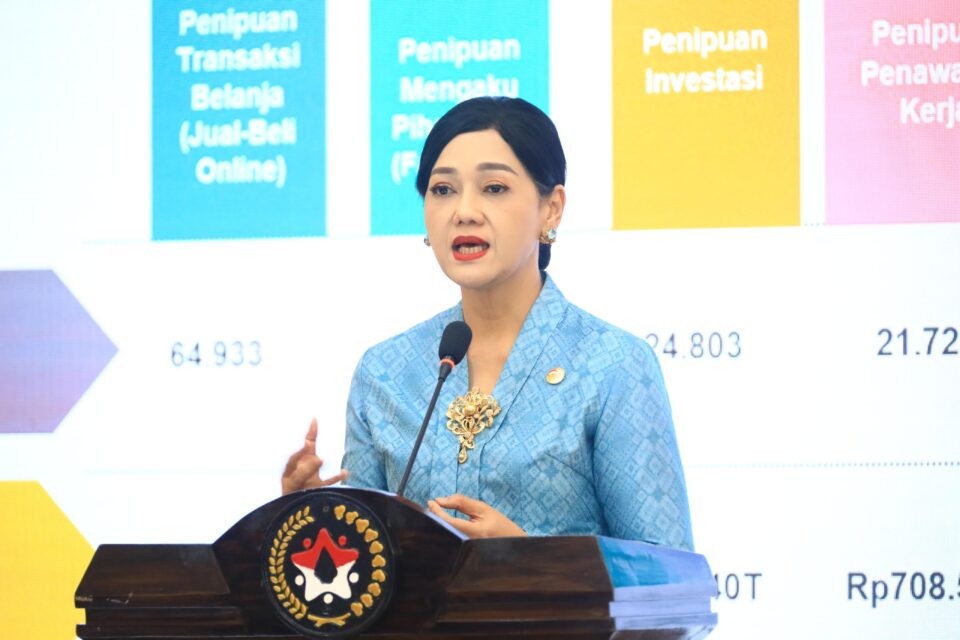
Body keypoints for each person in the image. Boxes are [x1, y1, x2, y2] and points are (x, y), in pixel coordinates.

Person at [282, 97, 693, 550]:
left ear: (551, 209)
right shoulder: (385, 372)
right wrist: (307, 519)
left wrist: (529, 558)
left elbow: (668, 572)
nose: (464, 211)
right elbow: (360, 564)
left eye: (494, 188)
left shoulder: (612, 365)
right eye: (443, 189)